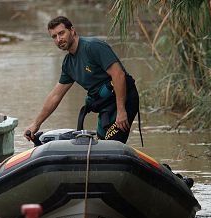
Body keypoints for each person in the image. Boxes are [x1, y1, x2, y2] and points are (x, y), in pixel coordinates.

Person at [24, 16, 140, 144]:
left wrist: (121, 111)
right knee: (101, 144)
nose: (58, 39)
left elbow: (119, 75)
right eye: (54, 36)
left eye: (61, 33)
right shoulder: (68, 64)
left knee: (111, 145)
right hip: (105, 106)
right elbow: (55, 96)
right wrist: (36, 124)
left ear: (72, 31)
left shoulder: (93, 46)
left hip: (125, 100)